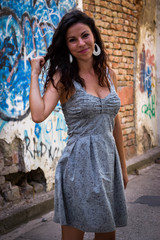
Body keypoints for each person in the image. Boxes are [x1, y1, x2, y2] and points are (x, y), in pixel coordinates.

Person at [29, 8, 128, 240]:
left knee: (107, 235)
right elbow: (38, 114)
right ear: (67, 46)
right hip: (79, 167)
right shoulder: (63, 78)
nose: (81, 43)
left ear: (94, 36)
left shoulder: (109, 74)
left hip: (108, 163)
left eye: (85, 35)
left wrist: (122, 168)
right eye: (72, 40)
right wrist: (35, 73)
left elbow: (115, 125)